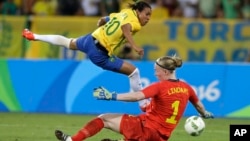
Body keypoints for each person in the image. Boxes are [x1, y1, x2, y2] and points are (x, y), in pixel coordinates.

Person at [22, 0, 152, 109]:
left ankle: (34, 36)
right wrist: (134, 46)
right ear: (138, 12)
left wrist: (103, 19)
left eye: (150, 16)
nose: (148, 18)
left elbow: (113, 18)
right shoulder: (136, 24)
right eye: (146, 14)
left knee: (68, 42)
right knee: (134, 72)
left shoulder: (126, 12)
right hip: (100, 53)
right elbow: (125, 28)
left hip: (90, 40)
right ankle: (143, 104)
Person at [54, 55, 214, 141]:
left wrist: (112, 96)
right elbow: (200, 107)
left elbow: (136, 96)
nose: (154, 73)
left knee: (104, 119)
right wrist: (205, 114)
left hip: (146, 129)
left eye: (156, 70)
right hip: (161, 138)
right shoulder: (187, 88)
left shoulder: (160, 86)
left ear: (165, 72)